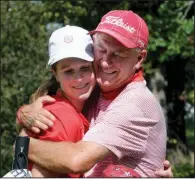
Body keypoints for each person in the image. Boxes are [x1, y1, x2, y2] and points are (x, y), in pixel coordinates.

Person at [17, 10, 173, 177]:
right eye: (101, 48)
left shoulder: (134, 103)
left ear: (139, 59)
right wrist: (24, 113)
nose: (105, 62)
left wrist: (21, 146)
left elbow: (76, 161)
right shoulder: (92, 89)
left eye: (118, 54)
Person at [18, 25, 96, 177]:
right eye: (68, 71)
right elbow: (41, 172)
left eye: (85, 68)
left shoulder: (65, 106)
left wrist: (21, 112)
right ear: (55, 73)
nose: (78, 78)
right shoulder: (61, 115)